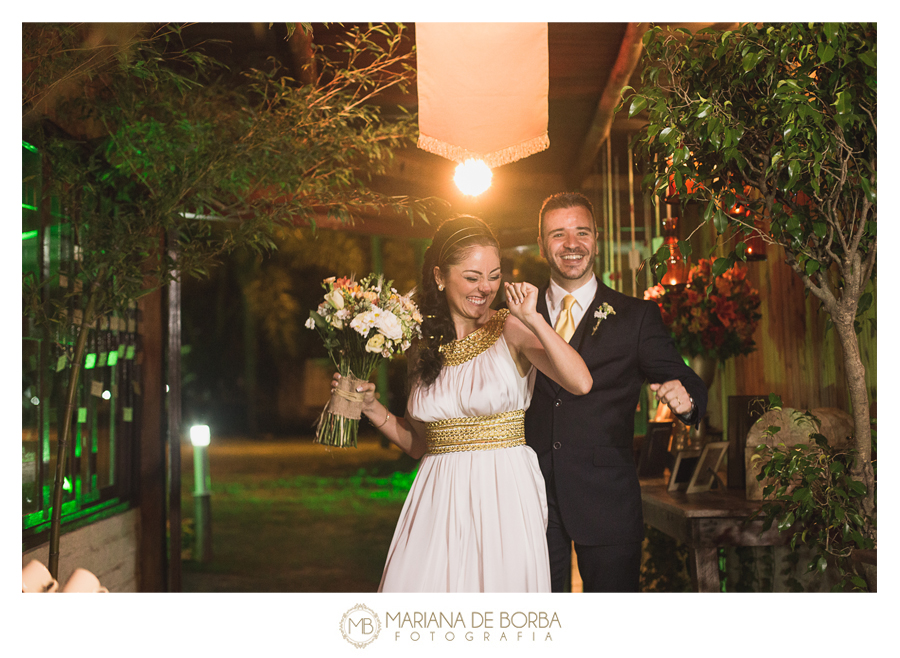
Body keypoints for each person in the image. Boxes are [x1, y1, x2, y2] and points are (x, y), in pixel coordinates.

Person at [334, 215, 592, 592]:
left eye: (494, 275)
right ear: (440, 276)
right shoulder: (420, 346)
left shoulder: (511, 330)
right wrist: (372, 409)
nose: (486, 288)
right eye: (472, 277)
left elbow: (581, 382)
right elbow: (420, 444)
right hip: (436, 497)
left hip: (503, 492)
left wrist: (535, 320)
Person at [524, 192, 708, 593]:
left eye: (582, 232)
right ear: (541, 244)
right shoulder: (522, 314)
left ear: (597, 239)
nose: (571, 244)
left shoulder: (636, 317)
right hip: (531, 498)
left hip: (607, 500)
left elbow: (686, 379)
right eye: (558, 234)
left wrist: (686, 398)